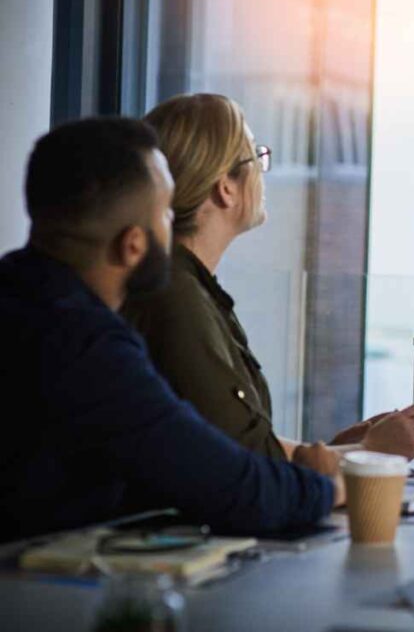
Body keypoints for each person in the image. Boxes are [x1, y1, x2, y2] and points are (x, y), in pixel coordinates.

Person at [0, 118, 343, 542]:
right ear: (133, 245)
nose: (174, 222)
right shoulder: (85, 349)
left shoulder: (20, 296)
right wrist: (326, 486)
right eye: (165, 211)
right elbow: (234, 489)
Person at [122, 93, 414, 467]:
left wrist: (341, 449)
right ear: (225, 187)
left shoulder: (182, 286)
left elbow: (234, 437)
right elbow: (245, 462)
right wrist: (368, 452)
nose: (261, 168)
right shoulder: (178, 298)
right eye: (255, 156)